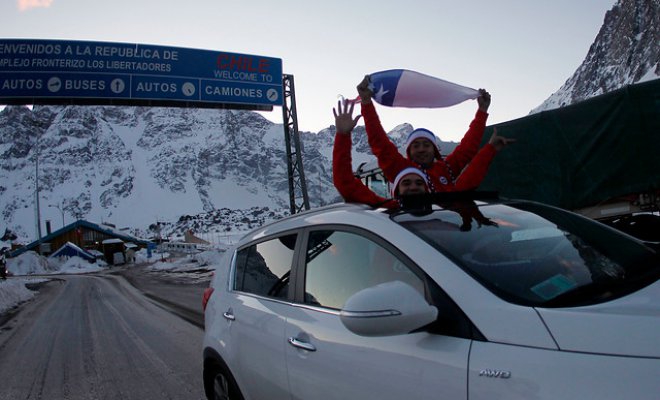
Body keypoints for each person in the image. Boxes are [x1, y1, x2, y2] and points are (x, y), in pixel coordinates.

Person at [356, 76, 514, 192]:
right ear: (409, 151)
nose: (422, 149)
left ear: (435, 150)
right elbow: (380, 144)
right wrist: (366, 102)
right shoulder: (402, 170)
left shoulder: (446, 169)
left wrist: (482, 111)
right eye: (416, 145)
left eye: (426, 145)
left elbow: (467, 149)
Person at [332, 99, 429, 209]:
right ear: (396, 190)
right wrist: (343, 135)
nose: (413, 187)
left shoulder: (441, 209)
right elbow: (345, 183)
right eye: (406, 183)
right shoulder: (390, 210)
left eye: (419, 183)